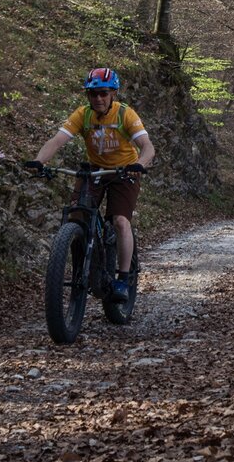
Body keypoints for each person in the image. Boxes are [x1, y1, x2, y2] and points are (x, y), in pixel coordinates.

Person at [30, 67, 154, 302]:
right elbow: (57, 141)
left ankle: (123, 278)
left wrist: (139, 164)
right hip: (94, 170)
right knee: (77, 217)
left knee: (119, 221)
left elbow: (148, 147)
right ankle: (83, 268)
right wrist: (38, 161)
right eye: (93, 94)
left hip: (124, 171)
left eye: (103, 93)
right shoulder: (82, 114)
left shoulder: (125, 114)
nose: (98, 98)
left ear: (113, 94)